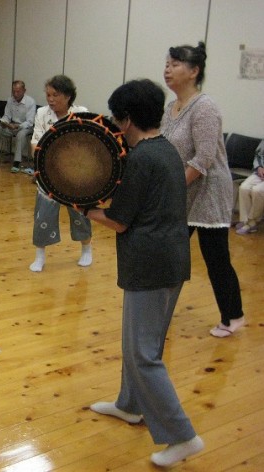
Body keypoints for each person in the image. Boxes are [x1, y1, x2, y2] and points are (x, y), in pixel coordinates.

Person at [86, 79, 204, 468]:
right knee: (138, 345)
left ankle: (182, 436)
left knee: (143, 353)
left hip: (150, 266)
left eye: (118, 118)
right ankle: (130, 405)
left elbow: (119, 221)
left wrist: (83, 209)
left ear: (128, 120)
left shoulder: (141, 158)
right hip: (169, 261)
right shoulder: (166, 149)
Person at [161, 42, 245, 338]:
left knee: (215, 257)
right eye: (167, 63)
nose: (168, 69)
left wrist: (171, 189)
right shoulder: (170, 108)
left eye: (175, 64)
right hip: (183, 190)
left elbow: (204, 158)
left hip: (209, 192)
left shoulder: (205, 107)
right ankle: (160, 312)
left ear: (194, 71)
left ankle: (233, 316)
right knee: (170, 254)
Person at [29, 75, 92, 271]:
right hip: (48, 172)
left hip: (76, 173)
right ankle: (40, 257)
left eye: (55, 95)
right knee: (43, 216)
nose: (50, 99)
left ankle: (87, 249)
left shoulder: (81, 113)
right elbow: (35, 142)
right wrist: (39, 165)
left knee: (80, 213)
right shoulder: (42, 113)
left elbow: (88, 143)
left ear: (67, 96)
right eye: (48, 95)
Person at [0, 80, 36, 172]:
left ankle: (17, 163)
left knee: (20, 135)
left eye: (18, 91)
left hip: (25, 127)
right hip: (11, 126)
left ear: (24, 91)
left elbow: (30, 121)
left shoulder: (30, 102)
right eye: (13, 91)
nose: (15, 94)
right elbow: (7, 115)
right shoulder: (10, 100)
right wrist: (4, 121)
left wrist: (18, 126)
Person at [236, 139, 264, 234]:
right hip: (260, 172)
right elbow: (258, 155)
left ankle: (251, 222)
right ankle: (248, 222)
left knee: (257, 191)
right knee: (244, 188)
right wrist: (259, 167)